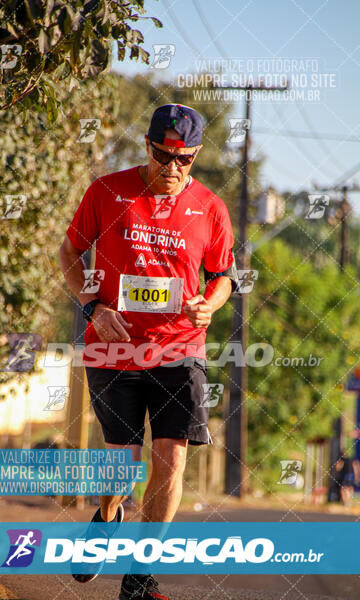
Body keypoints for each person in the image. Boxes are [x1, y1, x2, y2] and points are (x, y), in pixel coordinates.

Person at [59, 104, 237, 600]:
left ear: (196, 155)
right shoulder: (107, 191)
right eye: (163, 156)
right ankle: (108, 515)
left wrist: (210, 304)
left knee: (172, 459)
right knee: (123, 463)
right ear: (147, 146)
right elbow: (70, 252)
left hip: (180, 350)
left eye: (185, 160)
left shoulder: (211, 208)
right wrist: (93, 306)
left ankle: (140, 574)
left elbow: (223, 276)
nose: (172, 169)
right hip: (113, 349)